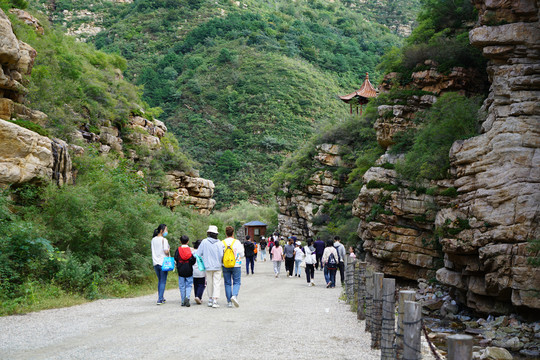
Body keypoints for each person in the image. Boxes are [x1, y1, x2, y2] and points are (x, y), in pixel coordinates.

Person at [197, 225, 224, 308]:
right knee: (216, 283)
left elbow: (198, 253)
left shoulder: (204, 242)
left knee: (209, 283)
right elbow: (221, 254)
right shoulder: (220, 243)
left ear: (208, 233)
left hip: (208, 266)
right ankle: (215, 301)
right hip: (217, 266)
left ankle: (210, 299)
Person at [222, 226, 244, 308]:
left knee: (227, 283)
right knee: (236, 282)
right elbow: (242, 254)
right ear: (233, 233)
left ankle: (229, 302)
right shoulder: (237, 242)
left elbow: (220, 255)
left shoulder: (222, 243)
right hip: (236, 264)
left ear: (226, 233)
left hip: (225, 265)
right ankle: (234, 296)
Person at [174, 235, 196, 307]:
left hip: (181, 270)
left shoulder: (178, 250)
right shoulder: (190, 250)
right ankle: (187, 297)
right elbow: (193, 260)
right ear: (188, 241)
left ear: (180, 241)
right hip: (189, 269)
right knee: (189, 285)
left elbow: (176, 258)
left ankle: (183, 301)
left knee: (182, 286)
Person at [151, 224, 170, 305]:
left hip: (155, 262)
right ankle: (160, 299)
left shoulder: (153, 240)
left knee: (160, 280)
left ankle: (161, 297)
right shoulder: (164, 240)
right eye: (166, 230)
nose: (167, 231)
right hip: (163, 263)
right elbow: (166, 251)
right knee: (163, 281)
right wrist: (169, 249)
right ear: (162, 231)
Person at [192, 240, 206, 305]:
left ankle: (196, 296)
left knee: (196, 285)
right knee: (201, 285)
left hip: (194, 271)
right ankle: (198, 296)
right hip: (201, 271)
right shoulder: (203, 253)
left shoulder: (193, 252)